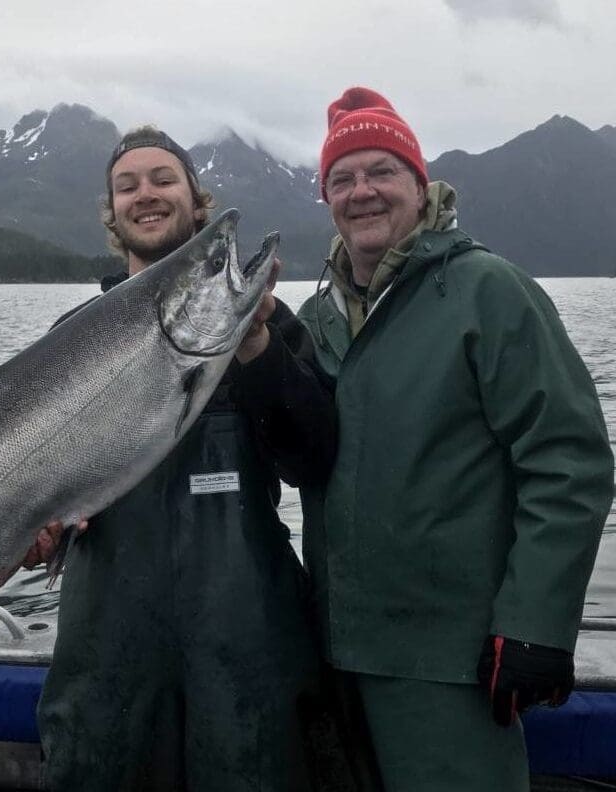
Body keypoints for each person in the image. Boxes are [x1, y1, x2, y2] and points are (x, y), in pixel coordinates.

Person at [281, 87, 614, 791]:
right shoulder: (312, 320)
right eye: (341, 179)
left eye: (381, 171)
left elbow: (568, 461)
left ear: (419, 183)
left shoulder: (488, 291)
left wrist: (536, 625)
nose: (361, 191)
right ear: (327, 199)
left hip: (452, 662)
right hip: (336, 656)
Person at [32, 126, 348, 791]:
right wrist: (34, 535)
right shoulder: (70, 341)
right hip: (108, 654)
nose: (145, 194)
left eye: (163, 179)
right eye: (128, 185)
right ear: (113, 214)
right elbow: (35, 495)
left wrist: (257, 350)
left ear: (195, 201)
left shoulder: (267, 322)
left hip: (247, 644)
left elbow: (314, 458)